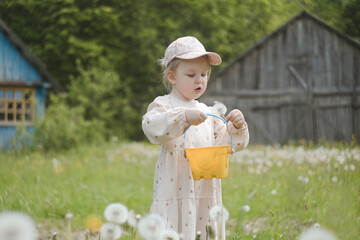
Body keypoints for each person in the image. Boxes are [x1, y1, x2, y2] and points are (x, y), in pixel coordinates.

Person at [142, 36, 249, 239]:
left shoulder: (209, 112)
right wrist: (182, 116)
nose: (199, 79)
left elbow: (230, 146)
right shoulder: (165, 105)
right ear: (172, 77)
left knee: (204, 230)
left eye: (204, 74)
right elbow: (151, 127)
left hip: (204, 192)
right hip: (174, 190)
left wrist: (237, 126)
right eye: (191, 74)